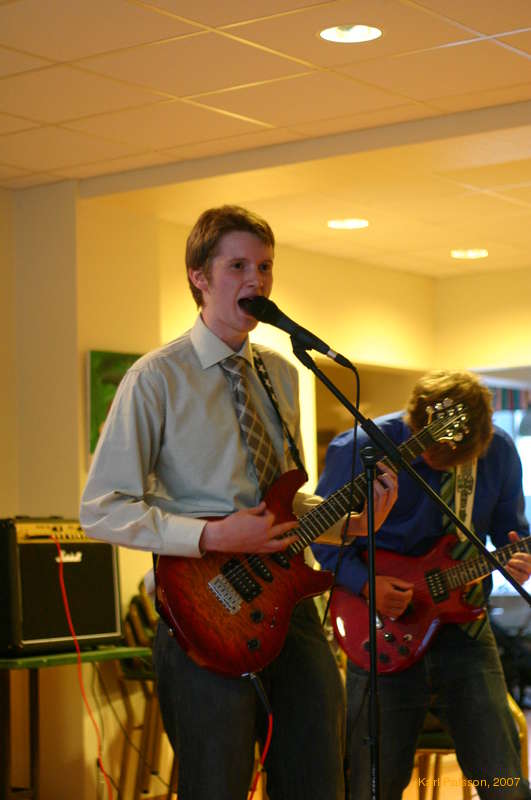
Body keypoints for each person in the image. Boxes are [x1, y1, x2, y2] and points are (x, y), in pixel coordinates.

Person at [80, 205, 397, 800]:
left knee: (318, 780)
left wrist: (354, 524)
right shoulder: (156, 378)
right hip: (203, 610)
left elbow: (283, 504)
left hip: (291, 607)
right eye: (239, 266)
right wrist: (212, 535)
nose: (257, 279)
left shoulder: (280, 373)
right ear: (199, 276)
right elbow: (101, 508)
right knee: (217, 784)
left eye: (266, 266)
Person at [312, 370, 531, 800]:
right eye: (428, 449)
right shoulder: (361, 448)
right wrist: (367, 584)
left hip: (466, 631)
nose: (436, 459)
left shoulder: (499, 450)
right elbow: (321, 536)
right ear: (413, 422)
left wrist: (518, 561)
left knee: (504, 783)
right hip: (379, 629)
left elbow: (512, 532)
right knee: (375, 784)